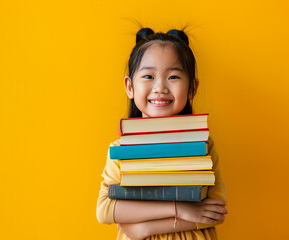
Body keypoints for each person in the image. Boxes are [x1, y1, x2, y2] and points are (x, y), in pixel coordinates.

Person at [96, 27, 227, 240]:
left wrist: (144, 229)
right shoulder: (121, 149)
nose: (160, 87)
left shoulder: (203, 144)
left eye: (173, 76)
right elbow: (105, 210)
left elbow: (216, 213)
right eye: (148, 76)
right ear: (129, 86)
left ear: (192, 88)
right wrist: (179, 209)